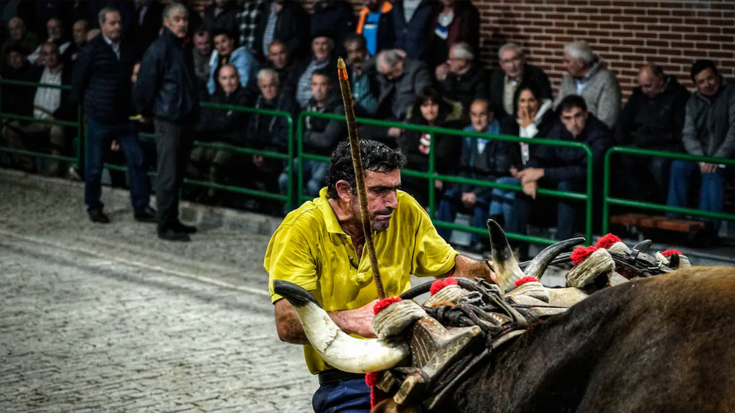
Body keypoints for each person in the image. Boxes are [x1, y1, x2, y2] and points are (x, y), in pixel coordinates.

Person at [265, 139, 496, 413]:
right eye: (379, 191)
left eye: (395, 189)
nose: (394, 202)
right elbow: (287, 324)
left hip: (412, 368)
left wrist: (487, 269)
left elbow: (451, 266)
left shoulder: (405, 212)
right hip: (348, 380)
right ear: (344, 191)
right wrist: (352, 319)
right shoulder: (300, 230)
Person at [71, 7, 155, 225]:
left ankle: (141, 206)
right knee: (94, 167)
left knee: (137, 160)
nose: (117, 26)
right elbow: (77, 86)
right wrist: (88, 112)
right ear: (102, 25)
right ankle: (94, 205)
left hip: (125, 118)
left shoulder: (128, 48)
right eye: (112, 23)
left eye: (119, 22)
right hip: (99, 118)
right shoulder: (90, 51)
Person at [133, 2, 200, 242]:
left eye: (184, 19)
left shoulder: (182, 47)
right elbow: (144, 86)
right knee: (169, 174)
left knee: (178, 173)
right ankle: (165, 224)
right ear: (167, 22)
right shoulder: (159, 49)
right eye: (177, 19)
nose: (182, 23)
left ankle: (172, 218)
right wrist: (146, 111)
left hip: (184, 118)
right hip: (169, 119)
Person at [518, 95, 612, 240]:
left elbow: (586, 171)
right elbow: (539, 154)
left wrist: (543, 173)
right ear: (562, 119)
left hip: (596, 190)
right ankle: (513, 247)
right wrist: (529, 177)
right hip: (562, 182)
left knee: (567, 186)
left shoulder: (600, 133)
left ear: (586, 114)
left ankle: (560, 250)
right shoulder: (559, 130)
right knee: (519, 185)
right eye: (567, 118)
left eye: (578, 116)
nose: (573, 123)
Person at [666, 60, 735, 230]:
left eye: (710, 78)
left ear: (717, 76)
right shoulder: (693, 102)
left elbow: (734, 132)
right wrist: (701, 159)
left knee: (713, 175)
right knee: (678, 166)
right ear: (696, 85)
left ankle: (706, 229)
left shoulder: (732, 94)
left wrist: (717, 158)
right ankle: (674, 224)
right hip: (701, 157)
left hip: (727, 158)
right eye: (701, 82)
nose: (707, 84)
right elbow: (688, 134)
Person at [436, 98, 509, 253]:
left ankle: (478, 243)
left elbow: (499, 172)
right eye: (474, 115)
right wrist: (465, 190)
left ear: (490, 116)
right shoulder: (467, 134)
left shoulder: (500, 137)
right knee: (448, 197)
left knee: (482, 202)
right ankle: (440, 241)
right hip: (469, 184)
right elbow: (462, 166)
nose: (478, 119)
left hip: (488, 186)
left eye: (482, 115)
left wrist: (475, 194)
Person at [492, 83, 556, 250]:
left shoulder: (548, 123)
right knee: (504, 195)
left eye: (531, 100)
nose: (526, 105)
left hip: (541, 178)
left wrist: (530, 128)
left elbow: (542, 154)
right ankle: (510, 244)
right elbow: (509, 151)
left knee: (501, 188)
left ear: (539, 102)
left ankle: (505, 244)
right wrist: (513, 167)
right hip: (519, 176)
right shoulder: (511, 123)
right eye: (522, 100)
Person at [614, 64, 690, 202]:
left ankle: (658, 205)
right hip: (640, 144)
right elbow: (623, 122)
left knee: (659, 165)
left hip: (666, 146)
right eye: (642, 86)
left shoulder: (679, 96)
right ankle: (636, 204)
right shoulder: (638, 95)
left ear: (660, 81)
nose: (644, 90)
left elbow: (680, 131)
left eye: (648, 86)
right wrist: (622, 142)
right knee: (620, 157)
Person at [2, 42, 72, 176]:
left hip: (54, 119)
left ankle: (54, 171)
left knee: (58, 130)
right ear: (42, 57)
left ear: (58, 54)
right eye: (45, 54)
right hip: (34, 118)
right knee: (9, 129)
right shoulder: (35, 72)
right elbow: (24, 96)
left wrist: (57, 116)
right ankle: (26, 166)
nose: (49, 57)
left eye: (53, 53)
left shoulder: (68, 74)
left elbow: (70, 101)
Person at [189, 64, 251, 203]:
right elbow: (208, 120)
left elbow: (230, 121)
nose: (228, 82)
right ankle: (204, 188)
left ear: (239, 78)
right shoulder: (216, 96)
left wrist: (218, 121)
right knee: (190, 157)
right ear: (219, 79)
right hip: (214, 141)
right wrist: (220, 120)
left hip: (234, 143)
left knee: (217, 163)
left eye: (232, 77)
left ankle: (212, 197)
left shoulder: (245, 96)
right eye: (224, 78)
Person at [279, 69, 345, 198]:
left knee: (314, 186)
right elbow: (296, 134)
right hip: (307, 155)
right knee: (284, 179)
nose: (318, 89)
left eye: (322, 84)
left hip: (326, 158)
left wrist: (306, 136)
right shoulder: (309, 105)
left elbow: (326, 140)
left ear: (330, 86)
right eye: (314, 84)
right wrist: (306, 136)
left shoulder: (338, 109)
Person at [397, 87, 464, 206]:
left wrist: (424, 165)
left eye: (433, 105)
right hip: (420, 173)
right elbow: (407, 153)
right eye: (425, 106)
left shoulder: (450, 128)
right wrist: (428, 168)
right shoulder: (414, 124)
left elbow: (441, 158)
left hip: (441, 178)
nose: (430, 110)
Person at [244, 68, 299, 204]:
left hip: (278, 151)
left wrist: (266, 153)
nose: (268, 90)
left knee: (270, 167)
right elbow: (251, 129)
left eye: (271, 85)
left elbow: (285, 136)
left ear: (278, 85)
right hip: (259, 150)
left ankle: (271, 205)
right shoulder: (258, 102)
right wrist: (254, 151)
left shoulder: (287, 103)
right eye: (264, 86)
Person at [554, 40, 622, 130]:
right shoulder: (567, 80)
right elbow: (557, 108)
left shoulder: (606, 80)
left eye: (567, 61)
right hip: (566, 133)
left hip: (594, 137)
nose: (564, 65)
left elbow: (607, 119)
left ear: (580, 63)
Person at [489, 43, 552, 125]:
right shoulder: (496, 77)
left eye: (515, 59)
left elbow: (546, 103)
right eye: (507, 61)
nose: (512, 65)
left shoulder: (536, 75)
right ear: (501, 64)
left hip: (531, 124)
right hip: (503, 126)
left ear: (523, 59)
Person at [374, 49, 432, 121]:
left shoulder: (417, 70)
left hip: (408, 121)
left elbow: (421, 100)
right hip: (389, 118)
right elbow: (363, 68)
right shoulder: (387, 77)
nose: (389, 78)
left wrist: (404, 124)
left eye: (390, 73)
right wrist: (384, 53)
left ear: (397, 63)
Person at [435, 42, 489, 111]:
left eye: (451, 59)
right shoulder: (450, 75)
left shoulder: (479, 77)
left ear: (462, 61)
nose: (448, 62)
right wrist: (440, 78)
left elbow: (479, 101)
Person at [427, 0, 479, 69]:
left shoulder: (467, 12)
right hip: (433, 62)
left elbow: (466, 42)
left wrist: (449, 64)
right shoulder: (434, 10)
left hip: (456, 63)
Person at [206, 28, 259, 95]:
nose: (221, 46)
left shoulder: (243, 56)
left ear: (231, 41)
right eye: (217, 43)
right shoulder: (216, 58)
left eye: (224, 41)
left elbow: (244, 82)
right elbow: (211, 82)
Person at [292, 34, 337, 109]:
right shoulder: (304, 64)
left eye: (324, 44)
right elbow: (291, 86)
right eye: (317, 44)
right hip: (297, 109)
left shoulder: (336, 67)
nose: (320, 48)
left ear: (330, 46)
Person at [344, 33, 378, 117]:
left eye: (358, 51)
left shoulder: (377, 67)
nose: (355, 56)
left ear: (365, 50)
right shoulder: (345, 70)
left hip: (374, 116)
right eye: (350, 52)